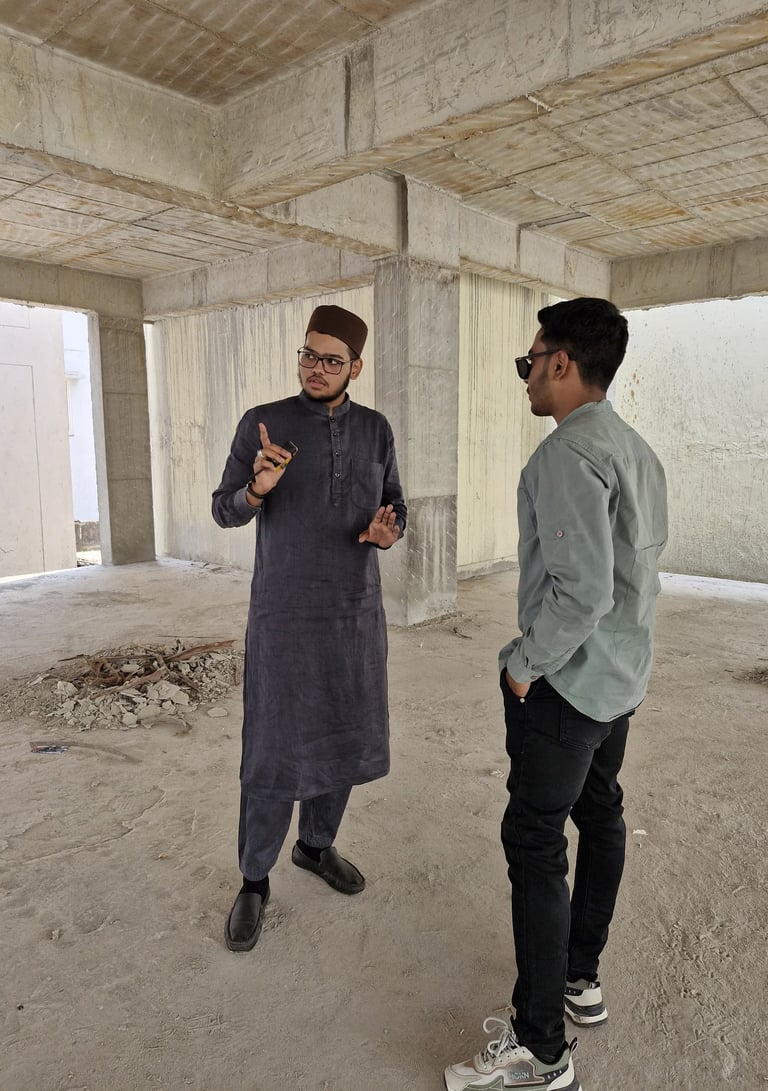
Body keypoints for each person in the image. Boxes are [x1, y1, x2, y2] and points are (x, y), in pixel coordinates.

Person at [445, 297, 667, 1091]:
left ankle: (541, 1049)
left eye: (530, 361)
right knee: (600, 812)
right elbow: (634, 578)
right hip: (619, 681)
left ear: (562, 362)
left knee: (535, 840)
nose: (527, 376)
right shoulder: (635, 449)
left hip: (569, 687)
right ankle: (580, 978)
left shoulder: (565, 455)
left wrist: (524, 666)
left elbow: (583, 592)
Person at [212, 304, 406, 953]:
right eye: (307, 354)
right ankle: (254, 877)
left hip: (353, 616)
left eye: (330, 359)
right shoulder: (263, 424)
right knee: (274, 747)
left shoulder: (376, 430)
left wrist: (388, 530)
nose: (315, 368)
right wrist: (257, 490)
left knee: (341, 733)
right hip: (284, 617)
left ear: (356, 367)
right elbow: (223, 509)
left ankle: (316, 846)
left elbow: (396, 504)